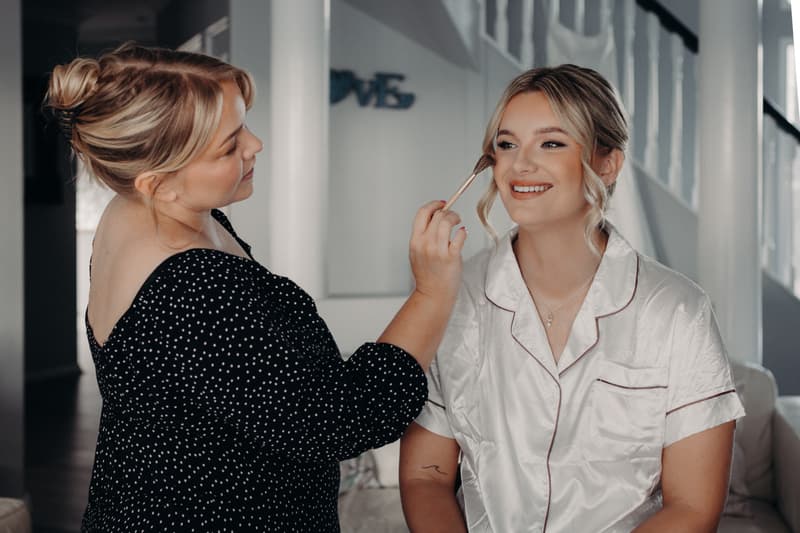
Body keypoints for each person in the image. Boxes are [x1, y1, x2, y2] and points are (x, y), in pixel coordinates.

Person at [46, 43, 466, 532]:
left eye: (243, 125)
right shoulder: (194, 283)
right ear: (158, 182)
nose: (256, 144)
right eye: (229, 145)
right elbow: (340, 420)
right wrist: (431, 293)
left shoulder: (144, 214)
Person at [399, 64, 745, 532]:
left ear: (607, 163)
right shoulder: (453, 298)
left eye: (551, 143)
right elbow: (426, 477)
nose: (520, 164)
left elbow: (692, 507)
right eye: (506, 144)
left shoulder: (678, 310)